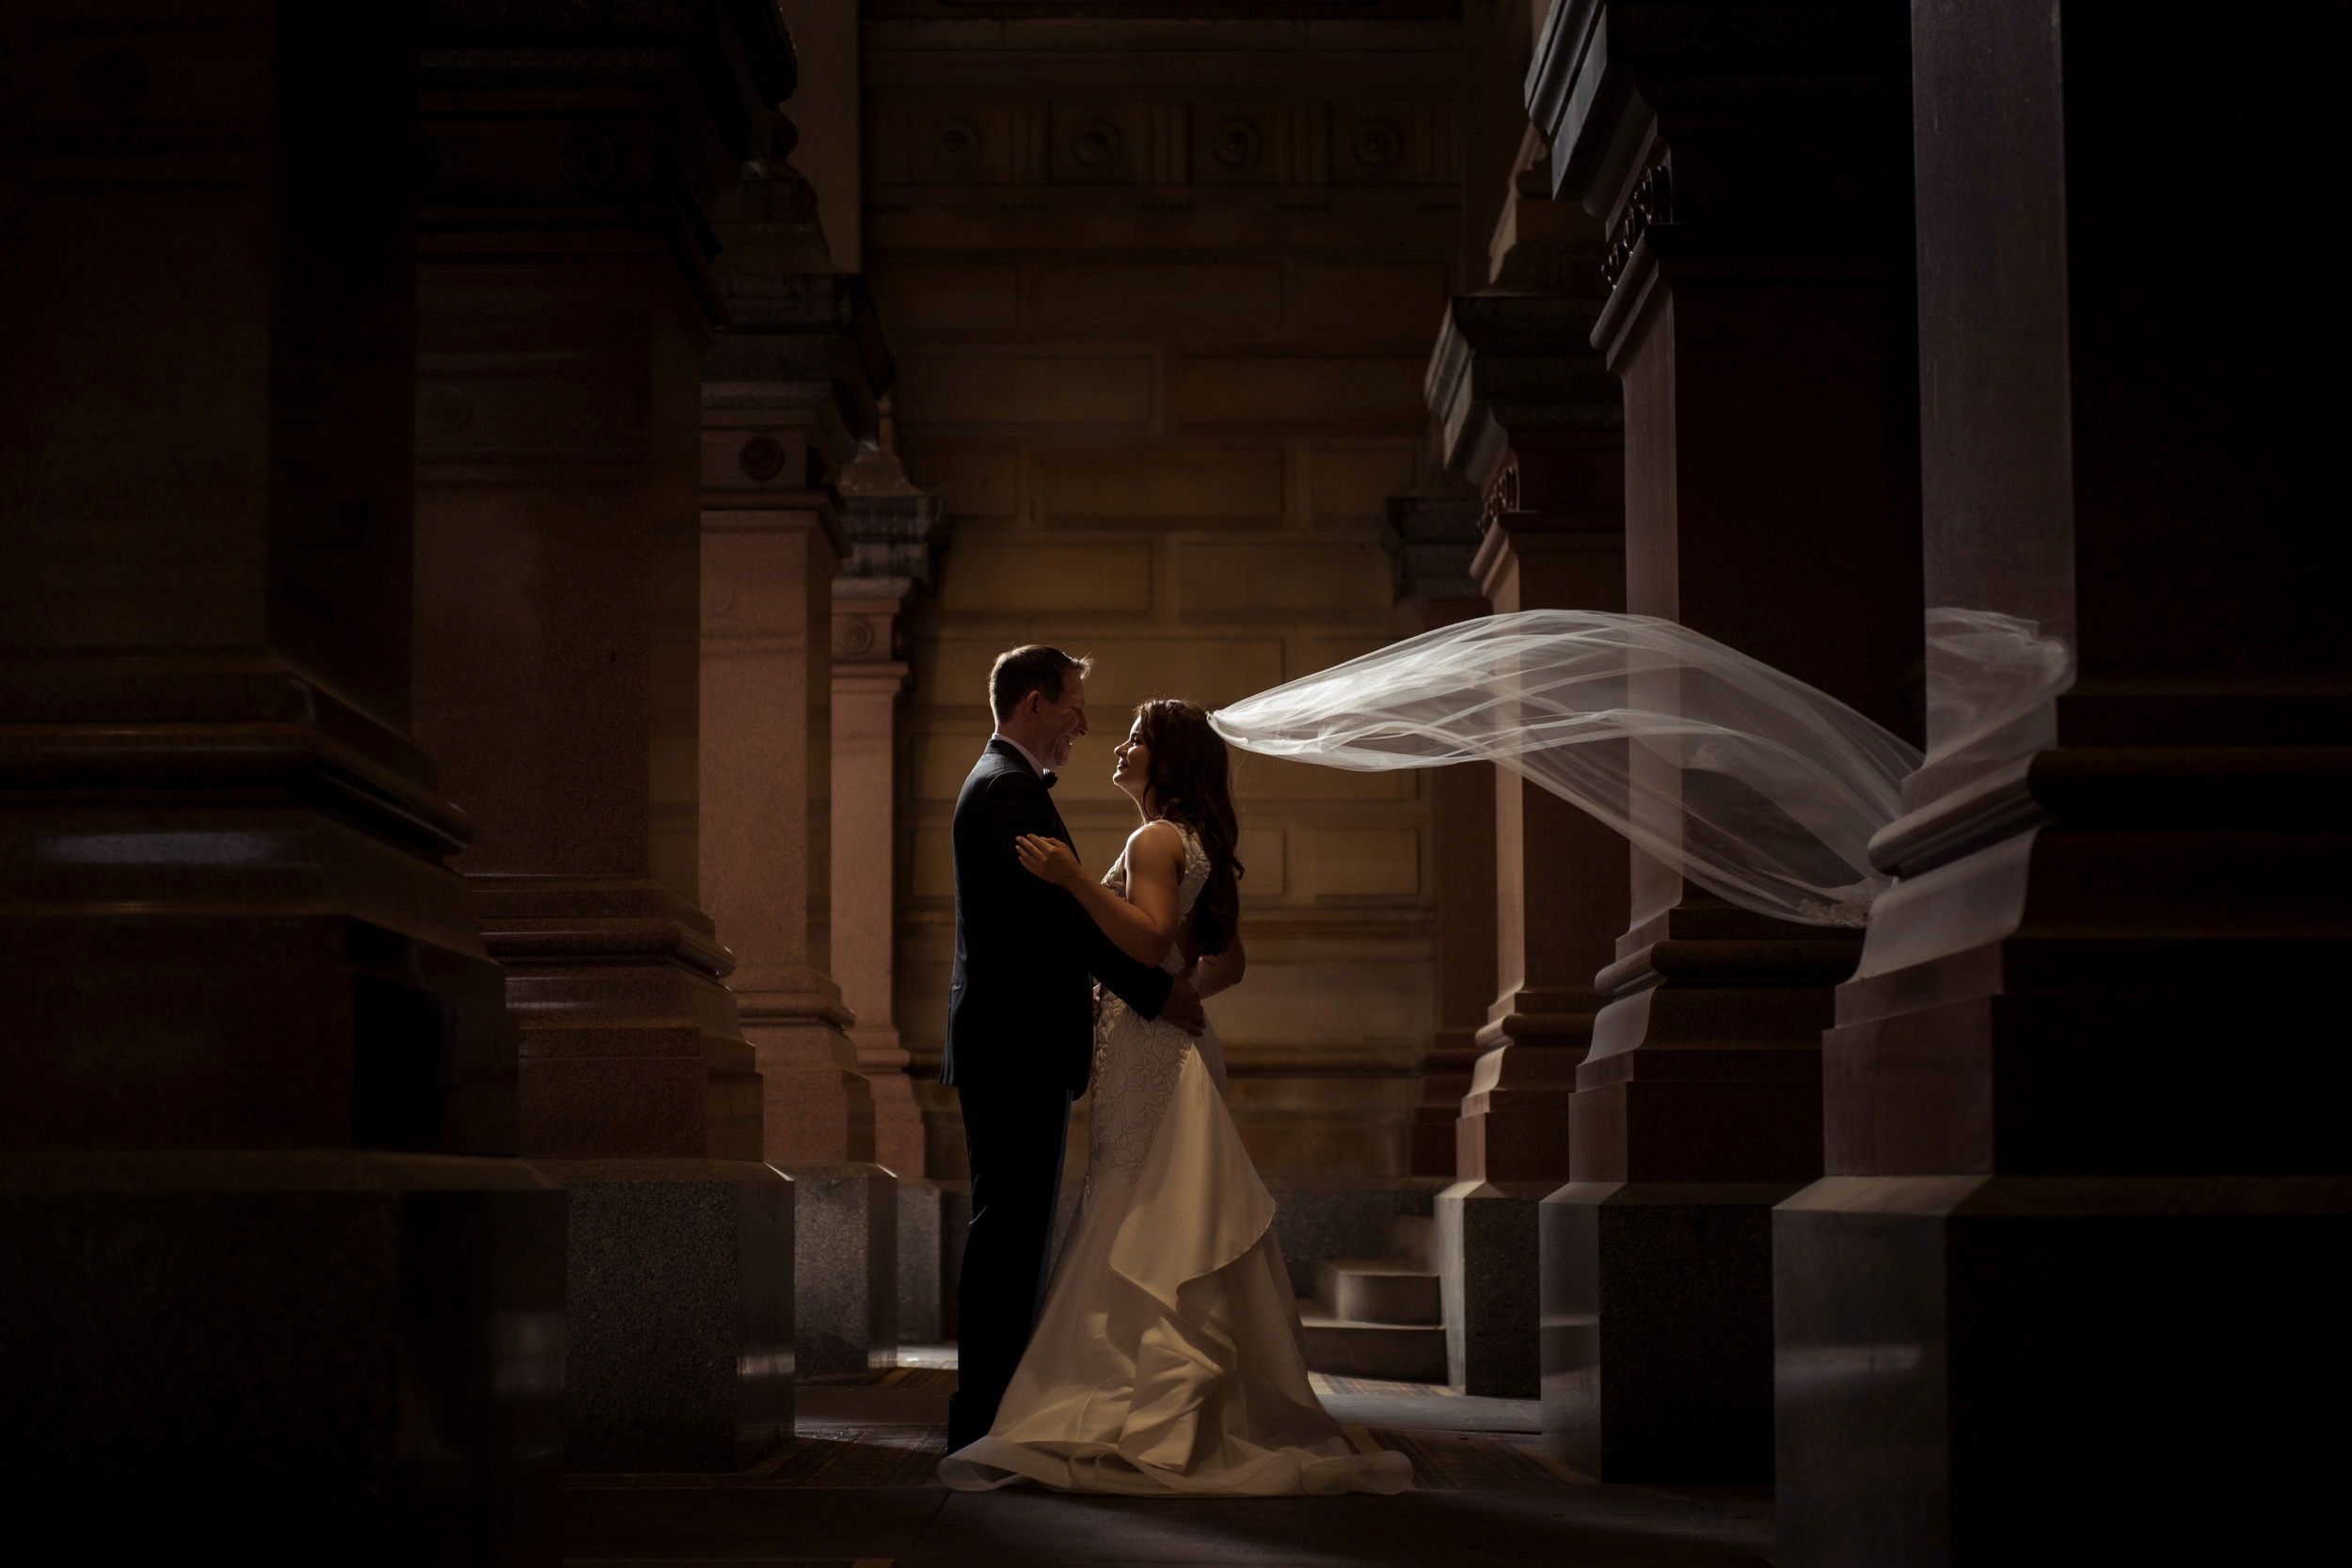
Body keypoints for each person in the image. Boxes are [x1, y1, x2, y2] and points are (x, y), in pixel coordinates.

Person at [939, 698, 1411, 1496]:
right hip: (1171, 1045)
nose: (1119, 748)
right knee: (1163, 1207)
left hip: (1149, 1051)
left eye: (1137, 740)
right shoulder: (1193, 843)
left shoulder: (1154, 838)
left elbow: (1152, 935)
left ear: (1169, 759)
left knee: (1138, 1204)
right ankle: (1170, 1399)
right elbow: (1229, 964)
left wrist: (1075, 880)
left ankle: (1126, 1403)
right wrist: (1176, 991)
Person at [944, 646, 1207, 1451]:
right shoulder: (1005, 790)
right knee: (1009, 1236)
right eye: (1075, 707)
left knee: (1019, 1234)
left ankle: (994, 1412)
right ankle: (982, 1419)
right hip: (1014, 1049)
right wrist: (1157, 994)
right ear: (1033, 703)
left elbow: (1059, 925)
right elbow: (1059, 922)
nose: (1085, 726)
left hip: (1019, 1046)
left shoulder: (1006, 783)